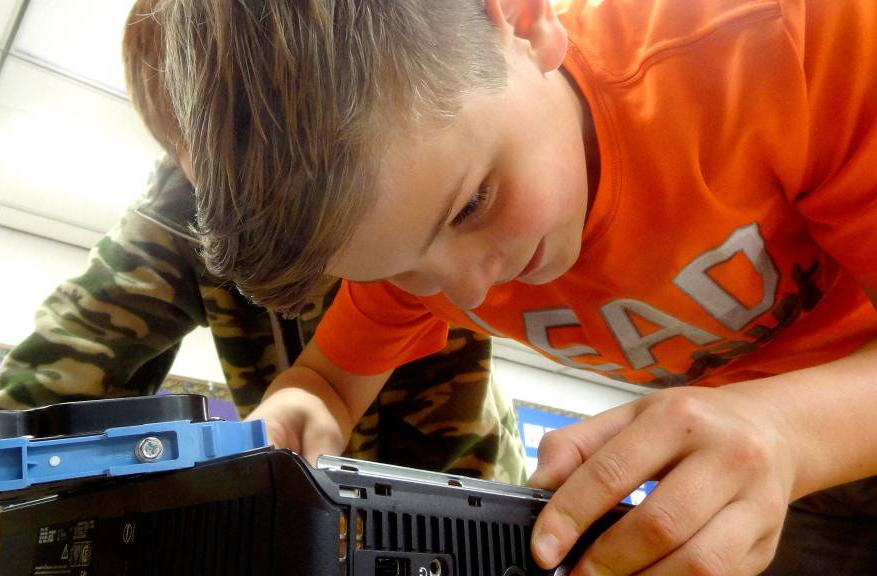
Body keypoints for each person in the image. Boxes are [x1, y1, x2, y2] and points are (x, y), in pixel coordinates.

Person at [149, 0, 877, 574]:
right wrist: (295, 410)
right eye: (398, 270)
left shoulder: (776, 38)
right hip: (782, 480)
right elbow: (329, 385)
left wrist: (786, 430)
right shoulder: (425, 255)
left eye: (473, 205)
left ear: (526, 21)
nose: (465, 290)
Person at [0, 3, 524, 575]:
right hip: (296, 485)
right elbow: (42, 409)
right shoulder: (175, 213)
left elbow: (459, 467)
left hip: (464, 492)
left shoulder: (413, 169)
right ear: (191, 161)